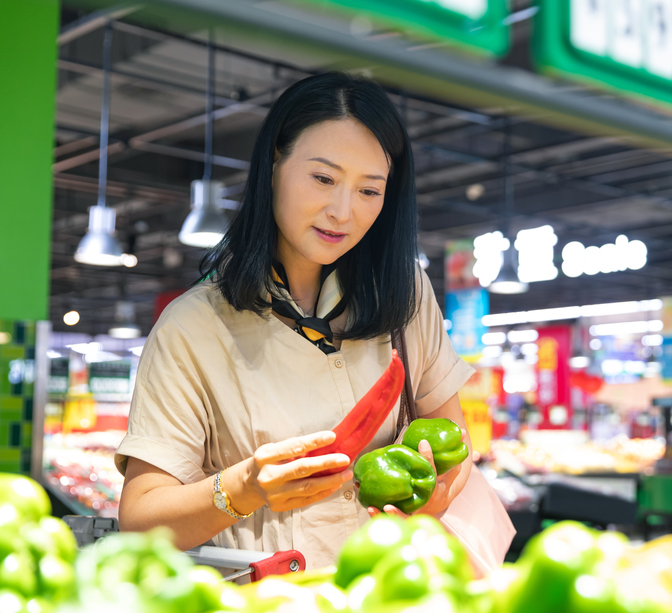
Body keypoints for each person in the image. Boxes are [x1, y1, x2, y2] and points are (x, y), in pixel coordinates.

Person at [115, 73, 476, 566]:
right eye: (323, 179)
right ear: (273, 165)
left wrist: (435, 501)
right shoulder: (194, 326)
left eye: (370, 191)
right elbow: (139, 520)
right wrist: (243, 487)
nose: (342, 212)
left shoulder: (405, 296)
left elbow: (455, 443)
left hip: (390, 590)